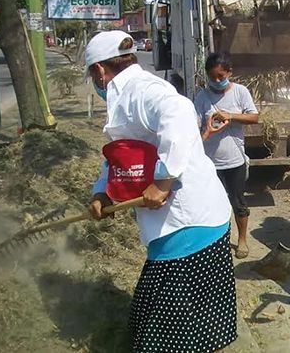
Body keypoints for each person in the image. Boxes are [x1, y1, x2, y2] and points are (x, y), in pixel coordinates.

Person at [86, 31, 237, 352]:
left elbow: (180, 114)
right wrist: (102, 193)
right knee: (169, 319)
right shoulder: (122, 96)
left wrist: (164, 180)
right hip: (181, 223)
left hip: (189, 223)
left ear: (99, 70)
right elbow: (120, 155)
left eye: (92, 75)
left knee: (169, 332)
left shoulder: (144, 90)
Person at [194, 52, 259, 259]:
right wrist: (207, 129)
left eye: (221, 76)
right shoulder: (202, 97)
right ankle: (217, 243)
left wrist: (231, 116)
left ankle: (242, 240)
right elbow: (194, 128)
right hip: (210, 163)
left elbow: (254, 117)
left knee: (238, 202)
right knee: (212, 204)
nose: (217, 81)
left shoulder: (240, 92)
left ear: (230, 73)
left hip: (235, 161)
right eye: (212, 77)